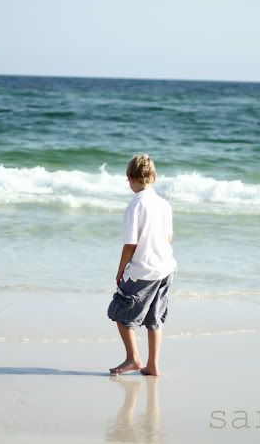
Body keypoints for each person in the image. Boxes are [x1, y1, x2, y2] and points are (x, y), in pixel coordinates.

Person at [107, 154, 177, 376]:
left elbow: (130, 244)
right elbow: (169, 238)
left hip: (143, 270)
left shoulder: (135, 205)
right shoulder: (164, 204)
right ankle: (153, 365)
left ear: (130, 178)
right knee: (154, 319)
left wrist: (120, 270)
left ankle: (133, 359)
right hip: (166, 268)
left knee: (119, 312)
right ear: (153, 177)